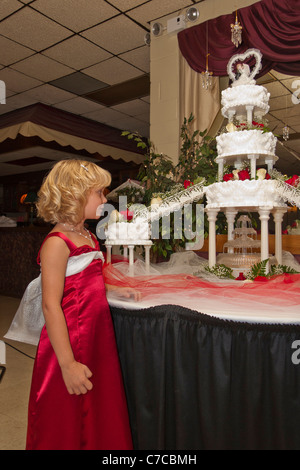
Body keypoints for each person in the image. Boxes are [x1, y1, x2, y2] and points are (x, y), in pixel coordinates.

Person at [26, 159, 134, 450]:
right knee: (66, 413)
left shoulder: (87, 235)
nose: (105, 198)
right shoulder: (57, 243)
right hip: (69, 342)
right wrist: (68, 363)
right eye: (99, 193)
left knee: (97, 406)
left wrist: (110, 289)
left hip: (96, 337)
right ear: (75, 195)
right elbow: (51, 304)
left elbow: (86, 279)